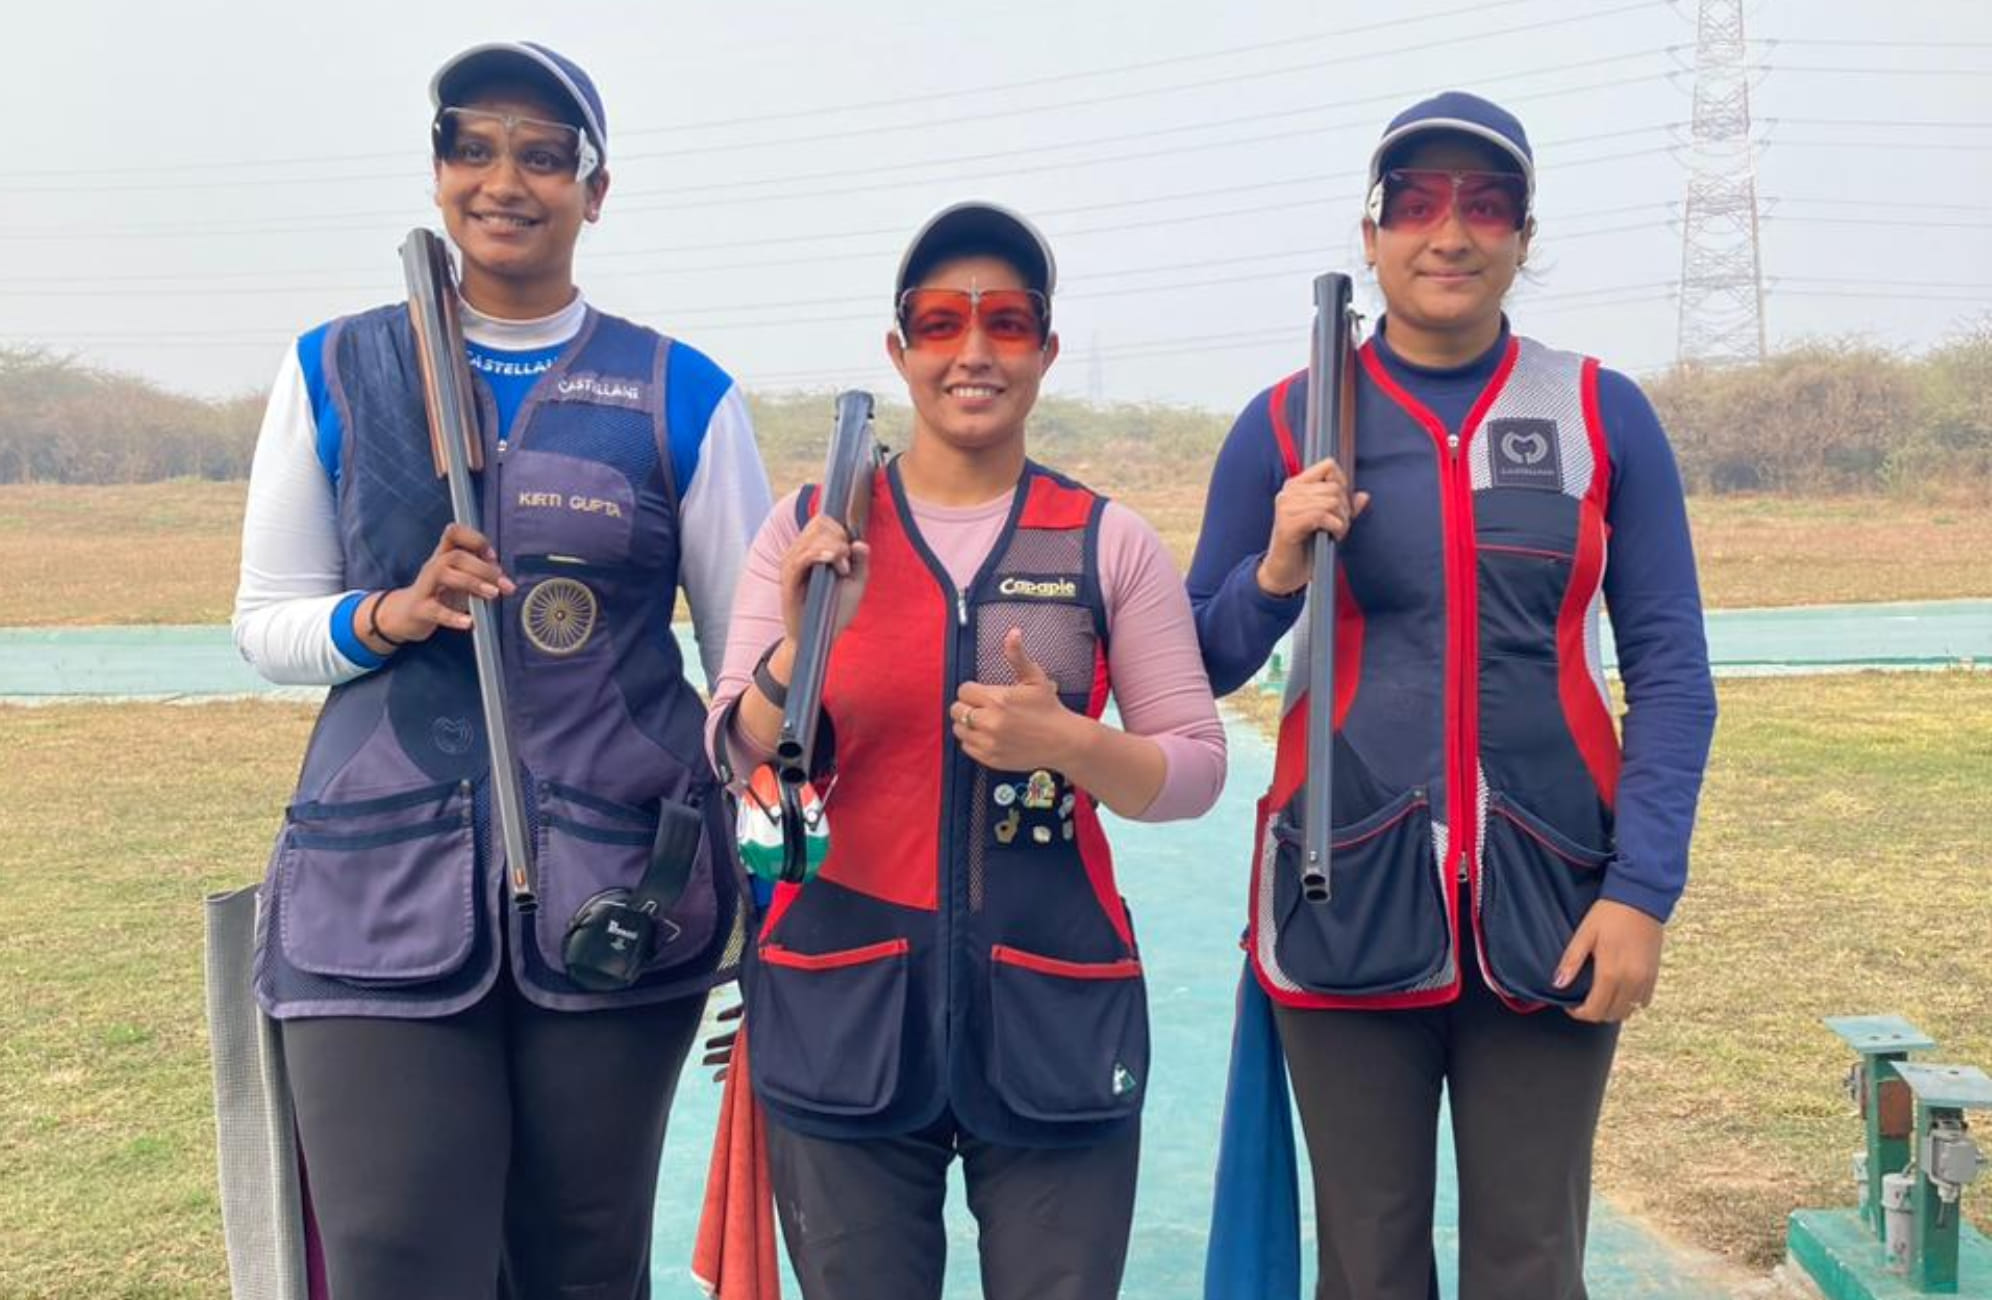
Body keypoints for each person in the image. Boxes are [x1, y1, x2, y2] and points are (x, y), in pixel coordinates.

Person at [230, 41, 771, 1299]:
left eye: (541, 154)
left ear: (595, 188)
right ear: (435, 173)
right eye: (472, 147)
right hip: (374, 888)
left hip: (617, 898)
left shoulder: (678, 393)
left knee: (581, 1260)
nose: (503, 179)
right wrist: (390, 613)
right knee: (397, 1259)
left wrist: (772, 856)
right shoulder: (334, 369)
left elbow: (749, 661)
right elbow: (268, 623)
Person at [1188, 92, 1717, 1299]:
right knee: (1366, 1267)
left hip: (1556, 904)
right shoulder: (1283, 420)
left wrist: (1640, 891)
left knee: (1529, 1263)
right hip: (1342, 892)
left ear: (1523, 235)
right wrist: (1274, 567)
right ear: (1370, 232)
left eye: (1484, 206)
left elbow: (1671, 671)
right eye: (1415, 203)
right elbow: (1198, 660)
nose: (1449, 232)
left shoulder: (1598, 412)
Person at [705, 201, 1227, 1300]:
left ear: (1043, 346)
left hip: (1053, 1015)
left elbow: (1191, 765)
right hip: (840, 1009)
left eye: (1005, 320)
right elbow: (729, 746)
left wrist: (1070, 741)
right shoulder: (805, 528)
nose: (973, 351)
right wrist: (800, 645)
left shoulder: (1105, 539)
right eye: (940, 323)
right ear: (899, 352)